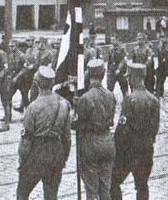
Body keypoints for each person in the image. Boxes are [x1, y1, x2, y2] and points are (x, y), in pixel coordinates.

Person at [16, 66, 71, 200]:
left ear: (37, 83)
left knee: (22, 193)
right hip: (56, 153)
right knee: (51, 195)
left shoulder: (33, 107)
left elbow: (27, 139)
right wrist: (63, 157)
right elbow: (67, 137)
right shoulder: (64, 104)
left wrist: (22, 160)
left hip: (37, 154)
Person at [110, 62, 160, 200]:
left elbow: (122, 129)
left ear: (133, 78)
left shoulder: (129, 100)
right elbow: (155, 128)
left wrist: (117, 147)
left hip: (129, 150)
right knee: (142, 185)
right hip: (146, 148)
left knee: (113, 182)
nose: (128, 79)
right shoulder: (154, 99)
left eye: (129, 77)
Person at [72, 59, 116, 200]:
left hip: (91, 143)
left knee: (91, 189)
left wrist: (76, 108)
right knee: (105, 187)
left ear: (88, 75)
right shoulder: (111, 95)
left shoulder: (86, 98)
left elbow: (75, 125)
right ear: (103, 74)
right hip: (107, 141)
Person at [29, 36, 57, 102]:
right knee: (33, 96)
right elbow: (36, 64)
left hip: (46, 79)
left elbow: (50, 67)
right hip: (37, 78)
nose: (36, 44)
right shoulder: (38, 53)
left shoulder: (49, 54)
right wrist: (32, 66)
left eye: (38, 42)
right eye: (36, 42)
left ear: (43, 43)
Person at [14, 36, 37, 113]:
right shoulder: (27, 50)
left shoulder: (36, 50)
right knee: (24, 91)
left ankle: (28, 109)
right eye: (27, 41)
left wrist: (32, 66)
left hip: (34, 73)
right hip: (27, 73)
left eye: (29, 40)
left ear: (33, 41)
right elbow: (26, 61)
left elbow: (37, 62)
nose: (28, 42)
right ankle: (22, 107)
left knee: (28, 92)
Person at [7, 40, 28, 120]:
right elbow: (10, 67)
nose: (10, 48)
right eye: (10, 46)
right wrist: (9, 75)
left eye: (12, 46)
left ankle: (28, 115)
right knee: (8, 96)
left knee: (25, 98)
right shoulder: (11, 55)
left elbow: (24, 68)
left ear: (16, 46)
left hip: (22, 80)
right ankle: (8, 116)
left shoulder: (22, 56)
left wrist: (17, 77)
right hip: (13, 80)